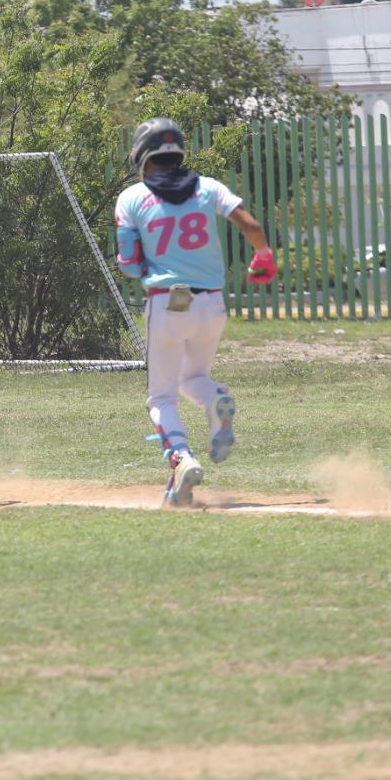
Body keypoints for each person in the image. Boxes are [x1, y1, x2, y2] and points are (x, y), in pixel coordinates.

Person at [113, 119, 276, 508]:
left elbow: (129, 265)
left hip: (168, 302)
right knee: (193, 378)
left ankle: (181, 458)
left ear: (143, 155)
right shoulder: (208, 187)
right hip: (212, 303)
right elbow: (250, 223)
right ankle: (216, 400)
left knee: (160, 398)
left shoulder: (132, 197)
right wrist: (263, 255)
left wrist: (145, 264)